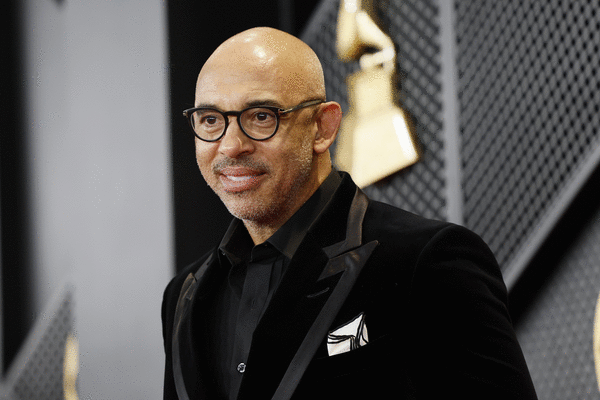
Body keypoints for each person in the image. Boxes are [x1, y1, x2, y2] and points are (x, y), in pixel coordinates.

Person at [161, 27, 537, 400]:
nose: (230, 146)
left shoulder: (428, 262)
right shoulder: (183, 295)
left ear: (323, 127)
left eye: (261, 116)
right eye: (210, 120)